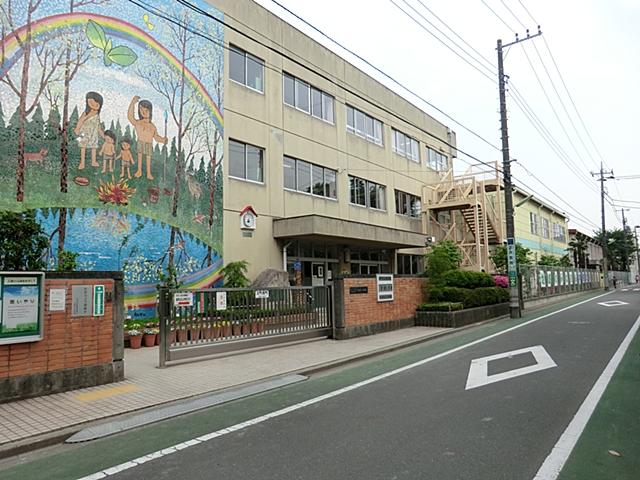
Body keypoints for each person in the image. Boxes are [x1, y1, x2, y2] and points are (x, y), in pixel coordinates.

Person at [127, 96, 167, 180]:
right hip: (140, 142)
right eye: (141, 110)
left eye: (146, 110)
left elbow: (156, 137)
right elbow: (130, 117)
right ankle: (139, 171)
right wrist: (132, 103)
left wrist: (163, 140)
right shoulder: (138, 123)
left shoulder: (152, 126)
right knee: (140, 156)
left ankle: (149, 173)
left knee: (148, 157)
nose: (143, 112)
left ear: (150, 112)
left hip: (149, 143)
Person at [75, 91, 104, 170]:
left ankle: (93, 161)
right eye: (91, 103)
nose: (94, 105)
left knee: (94, 147)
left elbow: (98, 125)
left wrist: (102, 134)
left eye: (96, 104)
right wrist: (77, 129)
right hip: (84, 133)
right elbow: (81, 121)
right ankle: (82, 162)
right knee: (83, 147)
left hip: (93, 134)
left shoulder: (97, 115)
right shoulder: (86, 113)